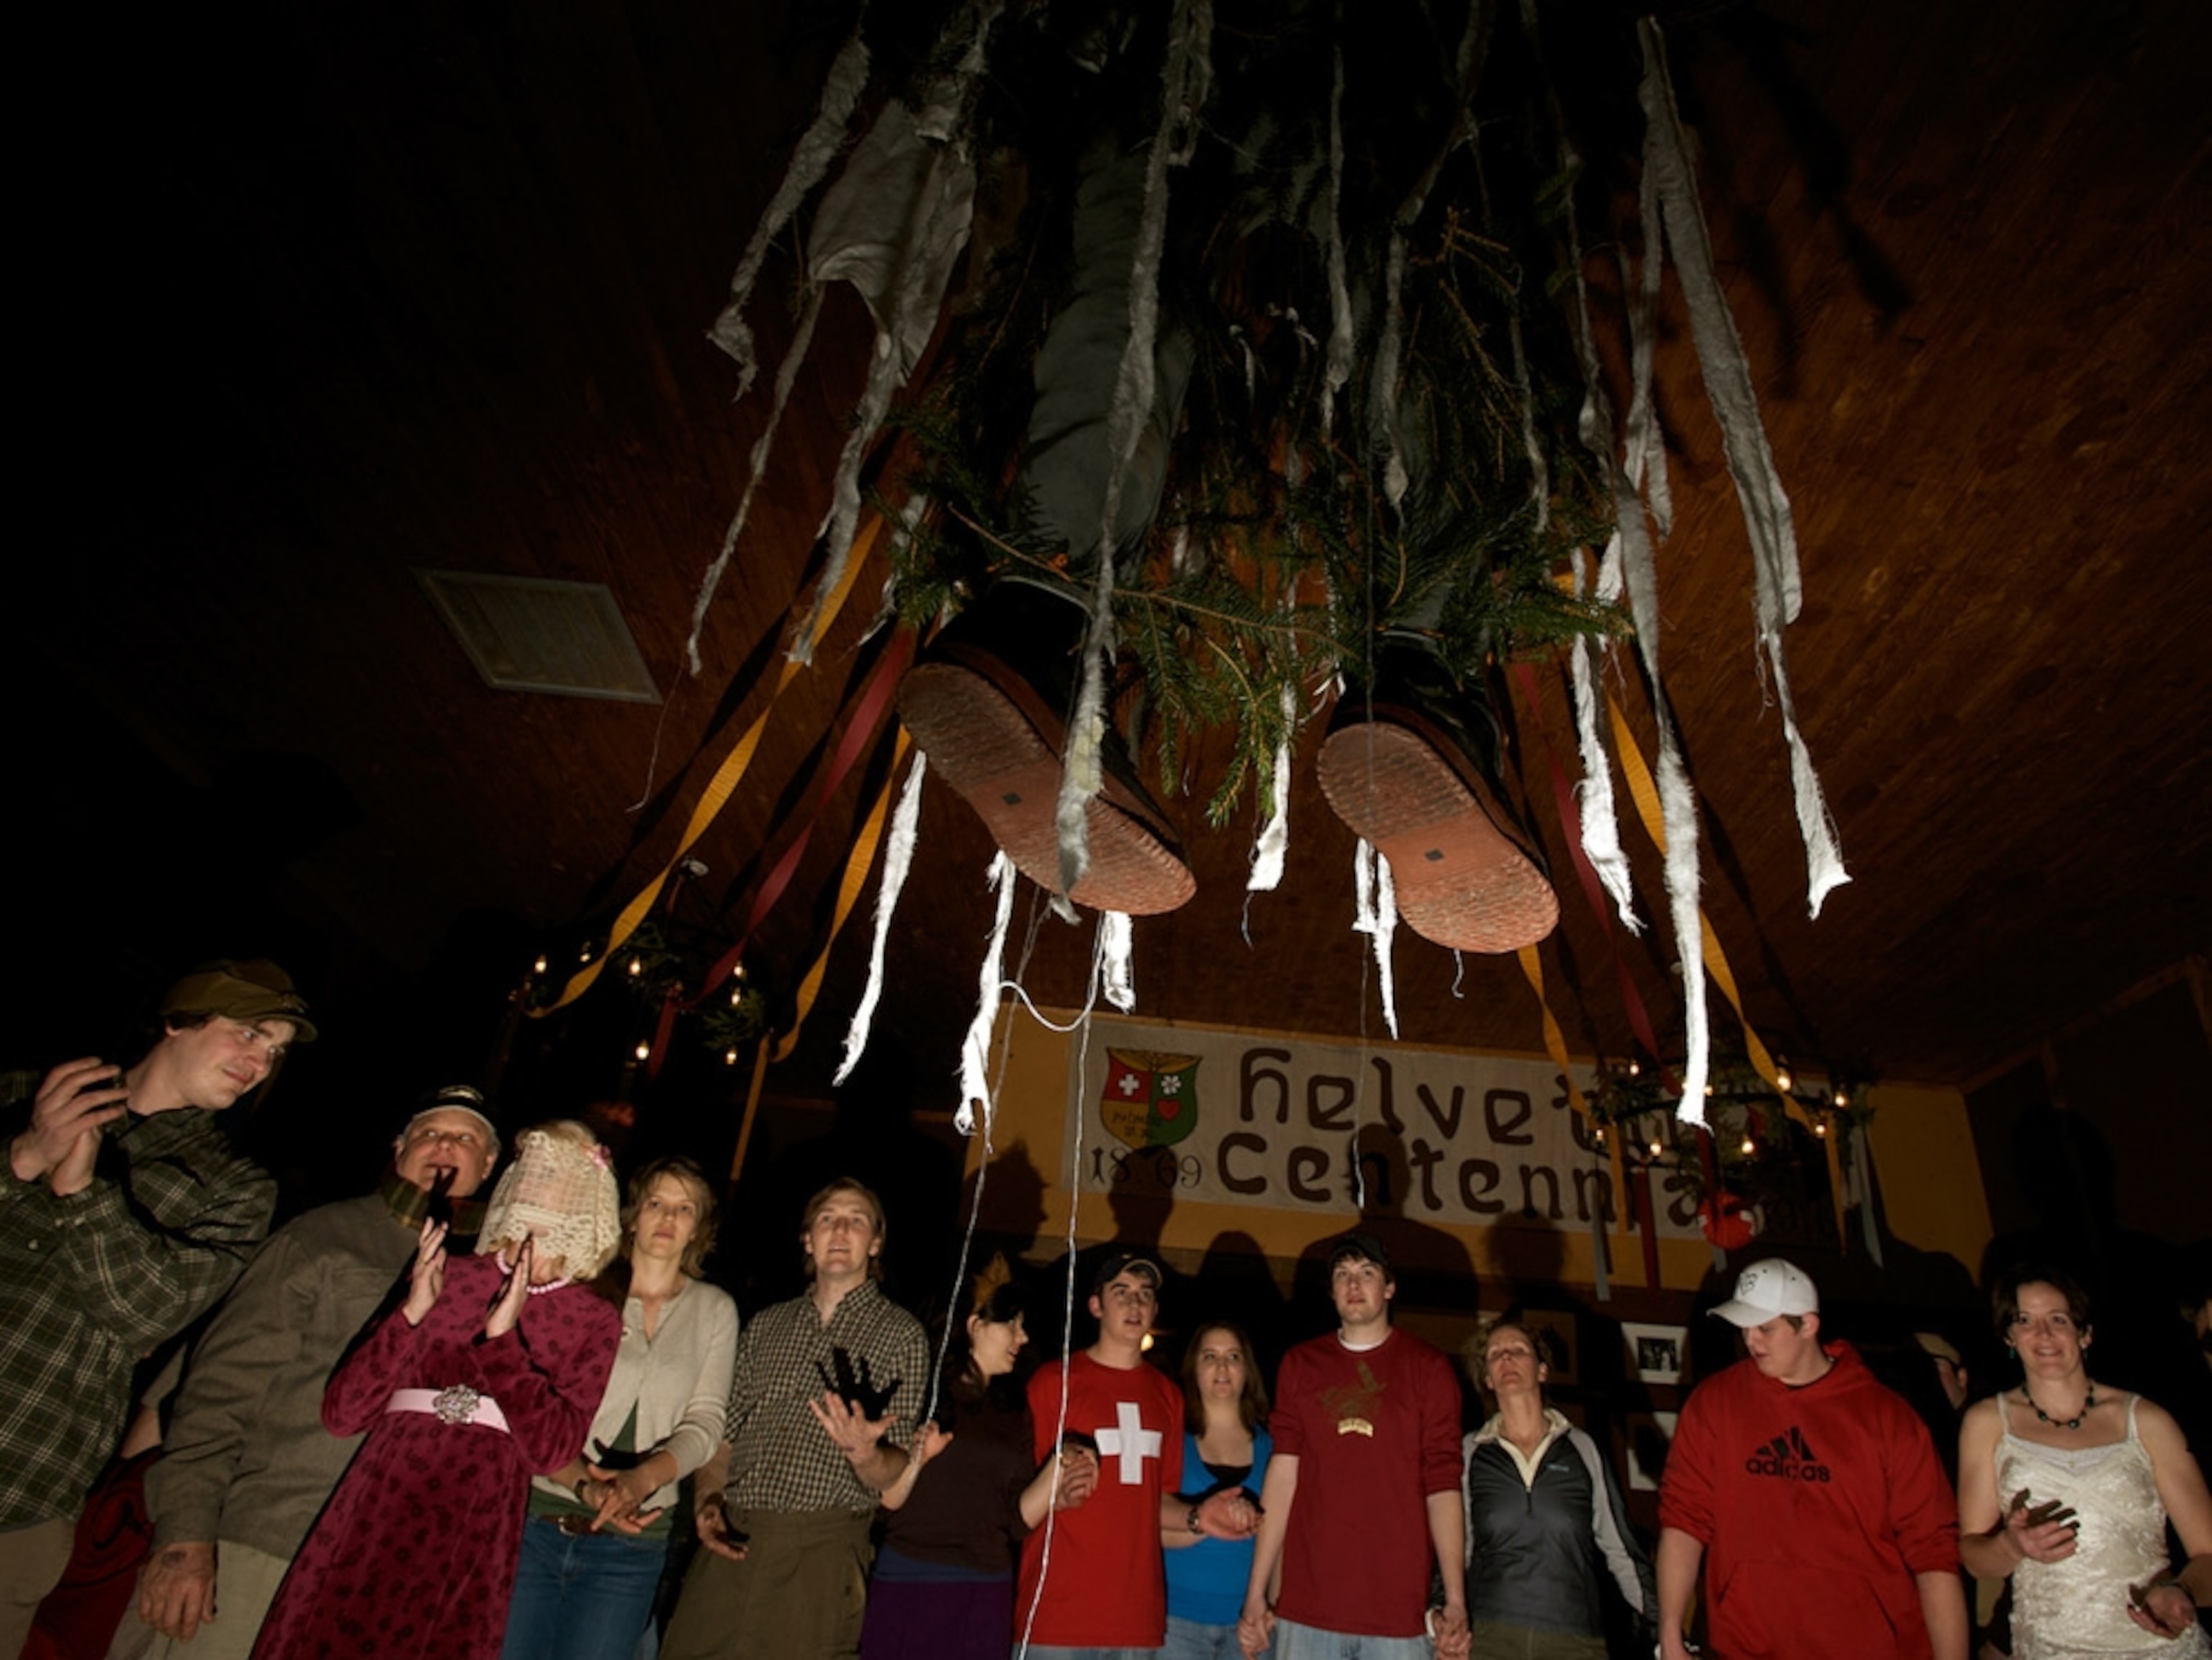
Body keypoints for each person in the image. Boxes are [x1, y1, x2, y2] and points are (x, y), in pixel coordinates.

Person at [120, 1087, 502, 1660]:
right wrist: (185, 1535)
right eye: (429, 1132)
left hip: (373, 1576)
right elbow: (217, 1388)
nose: (446, 1145)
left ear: (490, 1165)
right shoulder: (324, 1238)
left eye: (466, 1138)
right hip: (261, 1544)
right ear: (398, 1149)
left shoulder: (490, 1278)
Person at [3, 960, 306, 1655]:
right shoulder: (26, 1095)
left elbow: (152, 1312)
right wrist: (22, 1159)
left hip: (23, 1487)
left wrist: (80, 1189)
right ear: (177, 1021)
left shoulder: (233, 1187)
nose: (260, 1062)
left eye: (275, 1052)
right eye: (251, 1034)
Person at [249, 1121, 625, 1660]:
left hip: (476, 1517)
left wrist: (503, 1345)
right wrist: (410, 1314)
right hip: (380, 1499)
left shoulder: (593, 1318)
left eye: (559, 1176)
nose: (541, 1187)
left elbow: (552, 1449)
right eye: (533, 1172)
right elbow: (343, 1413)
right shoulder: (450, 1271)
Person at [657, 1178, 930, 1660]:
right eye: (827, 1218)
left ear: (876, 1242)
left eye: (857, 1220)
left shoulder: (901, 1334)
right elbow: (723, 1440)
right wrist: (708, 1502)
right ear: (808, 1239)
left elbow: (894, 1469)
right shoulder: (766, 1324)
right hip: (732, 1540)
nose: (841, 1229)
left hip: (821, 1554)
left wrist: (864, 1452)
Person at [1655, 1257, 1967, 1660]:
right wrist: (1670, 1634)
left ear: (1808, 1324)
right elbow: (1683, 1519)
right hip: (1744, 1647)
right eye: (1744, 1327)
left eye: (1766, 1328)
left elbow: (1935, 1554)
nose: (1751, 1341)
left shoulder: (1888, 1419)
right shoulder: (1715, 1404)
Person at [499, 1155, 739, 1660]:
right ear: (633, 1215)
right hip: (539, 1522)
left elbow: (706, 1421)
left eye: (684, 1209)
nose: (668, 1219)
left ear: (700, 1228)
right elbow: (536, 1410)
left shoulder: (714, 1309)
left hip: (632, 1544)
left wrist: (642, 1480)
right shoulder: (585, 1292)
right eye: (656, 1203)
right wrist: (583, 1484)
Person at [1956, 1268, 2212, 1657]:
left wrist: (2181, 1591)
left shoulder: (2147, 1421)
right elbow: (1974, 1557)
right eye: (2024, 1320)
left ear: (2085, 1333)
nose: (2043, 1335)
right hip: (2051, 1647)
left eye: (2058, 1319)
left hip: (2159, 1647)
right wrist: (2010, 1546)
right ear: (2009, 1336)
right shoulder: (1987, 1423)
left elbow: (2208, 1554)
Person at [1239, 1231, 1467, 1660]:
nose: (1354, 1284)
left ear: (1390, 1287)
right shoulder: (1301, 1365)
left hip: (1397, 1614)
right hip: (1307, 1610)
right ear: (1331, 1291)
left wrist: (1455, 1599)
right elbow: (1283, 1477)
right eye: (1342, 1274)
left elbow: (1443, 1483)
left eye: (1366, 1273)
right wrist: (1256, 1592)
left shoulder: (1428, 1369)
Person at [1017, 1252, 1255, 1656]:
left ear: (1156, 1309)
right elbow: (1018, 1498)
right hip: (1057, 1617)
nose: (1135, 1304)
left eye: (1145, 1294)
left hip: (1136, 1621)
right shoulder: (1053, 1382)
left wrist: (1198, 1517)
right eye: (1121, 1292)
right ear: (1096, 1305)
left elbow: (1155, 1502)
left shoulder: (1166, 1395)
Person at [858, 1257, 1095, 1660]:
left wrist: (1060, 1464)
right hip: (910, 1579)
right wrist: (917, 1456)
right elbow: (882, 1499)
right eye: (1012, 1325)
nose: (1022, 1338)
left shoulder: (1012, 1409)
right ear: (974, 1325)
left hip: (986, 1587)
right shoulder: (921, 1391)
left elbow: (1016, 1520)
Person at [1456, 1319, 1653, 1659]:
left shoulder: (1582, 1448)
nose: (1507, 1359)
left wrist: (1664, 1627)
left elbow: (1621, 1549)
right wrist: (1444, 1618)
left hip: (1575, 1638)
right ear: (1487, 1378)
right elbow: (1456, 1550)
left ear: (1543, 1370)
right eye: (1496, 1354)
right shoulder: (1470, 1453)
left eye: (1518, 1351)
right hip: (1492, 1640)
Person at [1164, 1322, 1274, 1660]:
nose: (1222, 1367)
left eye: (1233, 1357)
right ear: (1194, 1369)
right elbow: (1147, 1530)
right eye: (1210, 1357)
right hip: (1177, 1621)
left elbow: (1282, 1540)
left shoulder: (1273, 1446)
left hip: (1247, 1623)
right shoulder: (1172, 1439)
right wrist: (1211, 1520)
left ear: (1247, 1369)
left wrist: (1272, 1609)